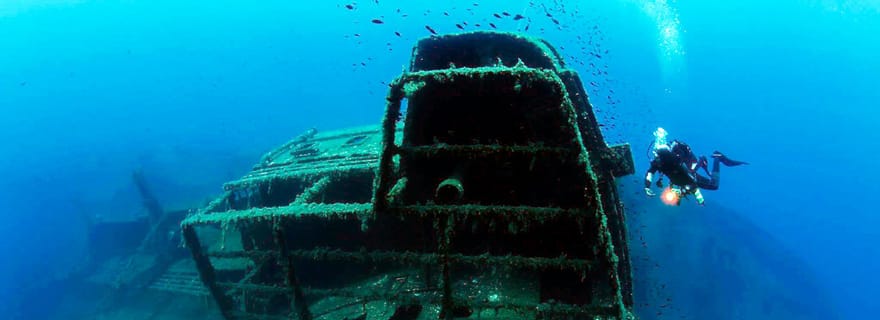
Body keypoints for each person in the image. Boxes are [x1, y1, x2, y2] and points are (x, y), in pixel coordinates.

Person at [643, 127, 748, 205]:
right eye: (657, 155)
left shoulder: (675, 160)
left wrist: (699, 199)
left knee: (714, 185)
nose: (658, 157)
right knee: (685, 184)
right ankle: (715, 158)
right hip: (683, 178)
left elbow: (692, 183)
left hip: (689, 173)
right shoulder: (659, 162)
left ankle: (717, 157)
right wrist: (647, 186)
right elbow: (650, 173)